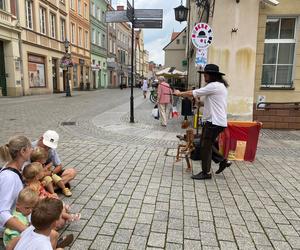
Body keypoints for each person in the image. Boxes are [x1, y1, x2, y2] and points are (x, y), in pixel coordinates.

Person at [174, 64, 232, 180]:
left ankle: (206, 172)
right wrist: (200, 104)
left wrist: (179, 93)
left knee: (205, 146)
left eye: (206, 75)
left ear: (212, 75)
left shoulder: (214, 86)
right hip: (216, 121)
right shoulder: (219, 86)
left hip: (213, 122)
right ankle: (223, 161)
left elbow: (192, 92)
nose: (204, 77)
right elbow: (212, 103)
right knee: (206, 143)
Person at [23, 162, 81, 227]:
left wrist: (42, 184)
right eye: (42, 171)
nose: (43, 172)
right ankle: (69, 217)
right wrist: (45, 198)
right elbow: (34, 197)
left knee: (56, 199)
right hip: (42, 203)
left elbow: (40, 188)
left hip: (46, 197)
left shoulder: (35, 182)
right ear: (37, 176)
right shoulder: (32, 187)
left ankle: (63, 209)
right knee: (55, 207)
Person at [0, 136, 32, 234]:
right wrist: (26, 231)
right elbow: (2, 213)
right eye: (30, 148)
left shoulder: (13, 168)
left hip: (19, 215)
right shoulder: (9, 177)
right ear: (23, 151)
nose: (32, 150)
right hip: (8, 227)